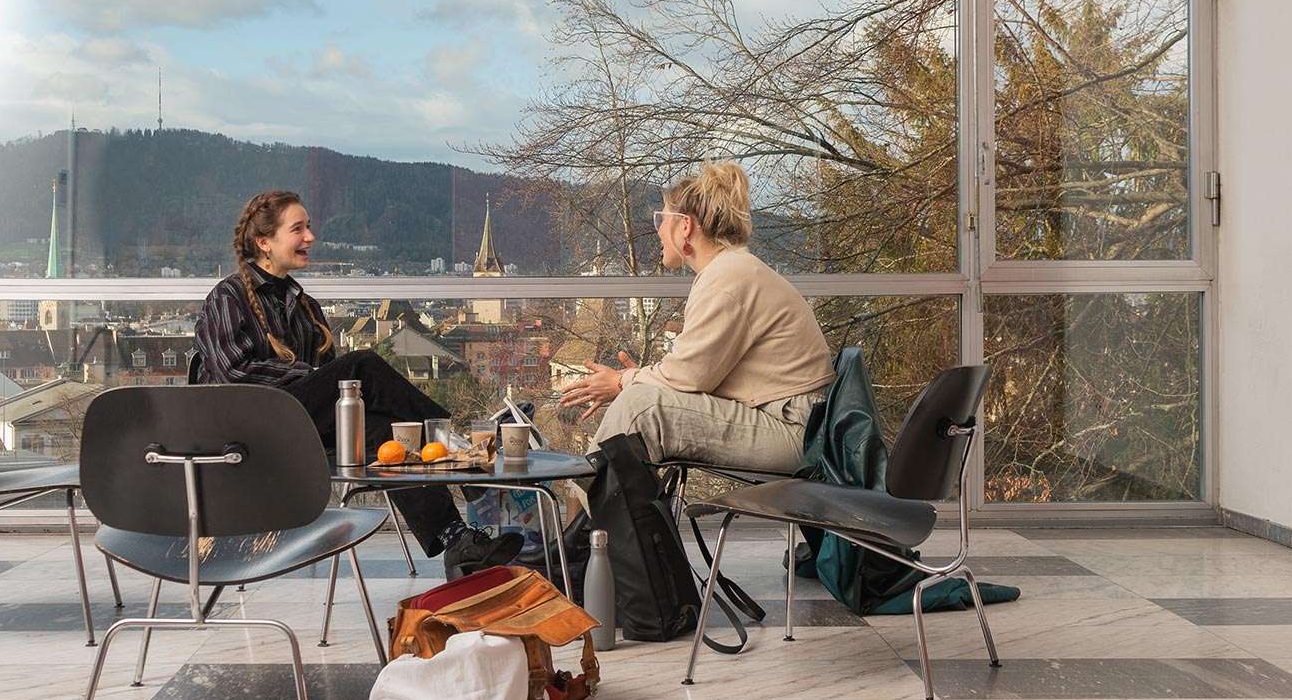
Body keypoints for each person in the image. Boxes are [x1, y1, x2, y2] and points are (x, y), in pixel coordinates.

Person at [194, 190, 522, 578]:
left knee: (392, 437)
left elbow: (337, 396)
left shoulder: (305, 307)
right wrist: (315, 378)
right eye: (298, 229)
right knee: (360, 365)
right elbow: (236, 376)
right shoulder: (228, 297)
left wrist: (324, 382)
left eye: (309, 227)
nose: (310, 237)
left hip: (302, 433)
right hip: (251, 435)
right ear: (264, 243)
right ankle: (461, 450)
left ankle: (456, 540)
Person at [560, 160, 834, 472]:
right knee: (641, 401)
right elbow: (694, 373)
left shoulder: (727, 277)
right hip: (790, 422)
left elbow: (689, 376)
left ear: (685, 226)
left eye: (661, 219)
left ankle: (585, 509)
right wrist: (640, 382)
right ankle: (607, 513)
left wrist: (625, 382)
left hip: (796, 433)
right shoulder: (731, 270)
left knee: (642, 408)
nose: (659, 231)